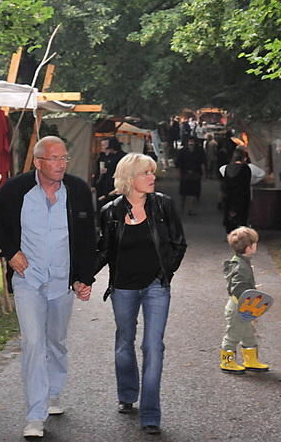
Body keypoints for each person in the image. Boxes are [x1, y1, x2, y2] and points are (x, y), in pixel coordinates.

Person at [0, 136, 97, 440]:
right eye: (54, 158)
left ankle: (53, 392)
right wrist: (11, 252)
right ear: (38, 162)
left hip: (62, 280)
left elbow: (88, 236)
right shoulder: (15, 190)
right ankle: (35, 414)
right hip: (28, 280)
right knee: (33, 342)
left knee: (56, 341)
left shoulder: (77, 191)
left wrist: (83, 277)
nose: (60, 164)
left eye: (64, 158)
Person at [97, 153, 187, 436]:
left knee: (153, 346)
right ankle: (127, 394)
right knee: (125, 343)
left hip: (156, 286)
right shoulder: (110, 211)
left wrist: (166, 273)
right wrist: (82, 278)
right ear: (129, 178)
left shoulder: (163, 205)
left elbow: (178, 243)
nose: (152, 177)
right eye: (145, 173)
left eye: (152, 173)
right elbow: (103, 251)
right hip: (123, 287)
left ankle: (150, 413)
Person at [220, 226, 270, 373]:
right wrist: (250, 298)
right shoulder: (241, 266)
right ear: (249, 248)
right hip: (239, 307)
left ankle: (251, 360)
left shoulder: (240, 261)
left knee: (248, 335)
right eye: (255, 244)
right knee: (233, 335)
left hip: (242, 305)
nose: (256, 246)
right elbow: (238, 288)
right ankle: (227, 362)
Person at [219, 146, 266, 234]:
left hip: (229, 196)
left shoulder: (227, 168)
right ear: (244, 157)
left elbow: (224, 183)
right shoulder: (246, 168)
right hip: (242, 196)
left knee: (230, 215)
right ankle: (241, 234)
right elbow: (247, 182)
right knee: (242, 216)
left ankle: (230, 233)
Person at [175, 137, 205, 215]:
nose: (191, 143)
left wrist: (204, 173)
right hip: (185, 174)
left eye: (192, 142)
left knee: (192, 193)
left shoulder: (199, 151)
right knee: (183, 193)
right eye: (190, 142)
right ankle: (181, 208)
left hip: (195, 174)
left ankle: (190, 210)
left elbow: (202, 163)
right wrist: (179, 173)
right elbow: (178, 164)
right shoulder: (182, 151)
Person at [93, 137, 126, 205]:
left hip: (114, 185)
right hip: (104, 185)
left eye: (105, 146)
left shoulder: (121, 157)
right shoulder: (103, 157)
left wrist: (108, 171)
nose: (104, 148)